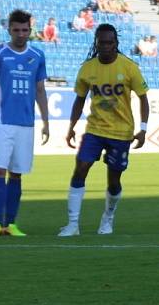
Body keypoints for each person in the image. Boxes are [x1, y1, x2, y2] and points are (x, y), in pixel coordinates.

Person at [57, 24, 150, 236]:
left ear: (116, 43)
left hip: (121, 132)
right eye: (102, 43)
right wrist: (71, 128)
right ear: (96, 43)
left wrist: (143, 129)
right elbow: (79, 100)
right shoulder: (88, 69)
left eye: (110, 42)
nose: (106, 46)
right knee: (81, 168)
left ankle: (107, 219)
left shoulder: (129, 67)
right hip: (95, 129)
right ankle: (72, 224)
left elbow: (144, 99)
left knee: (114, 180)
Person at [0, 10, 50, 238]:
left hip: (27, 123)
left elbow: (40, 90)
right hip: (3, 120)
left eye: (25, 30)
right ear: (9, 30)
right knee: (0, 169)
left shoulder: (38, 55)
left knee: (17, 173)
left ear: (30, 31)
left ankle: (10, 224)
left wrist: (46, 121)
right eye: (16, 30)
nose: (21, 34)